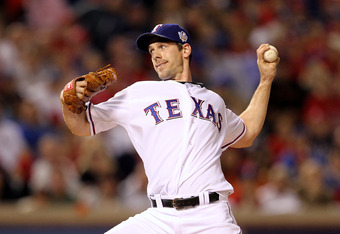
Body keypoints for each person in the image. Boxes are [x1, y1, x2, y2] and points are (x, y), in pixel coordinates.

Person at [60, 24, 279, 233]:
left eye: (163, 46)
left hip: (210, 216)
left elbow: (247, 131)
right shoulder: (139, 93)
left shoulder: (214, 101)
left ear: (185, 49)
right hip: (159, 218)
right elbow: (82, 125)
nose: (155, 55)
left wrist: (266, 80)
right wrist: (68, 98)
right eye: (152, 50)